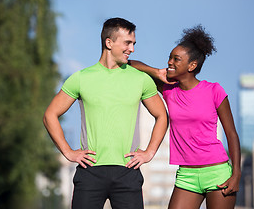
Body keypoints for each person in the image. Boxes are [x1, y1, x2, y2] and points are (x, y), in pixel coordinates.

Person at [43, 17, 168, 209]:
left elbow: (162, 116)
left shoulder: (141, 80)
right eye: (127, 43)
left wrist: (149, 152)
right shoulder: (81, 78)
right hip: (90, 171)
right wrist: (68, 152)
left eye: (134, 43)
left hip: (128, 172)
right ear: (109, 43)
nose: (132, 49)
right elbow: (50, 115)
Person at [129, 25, 241, 209]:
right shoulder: (168, 90)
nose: (170, 62)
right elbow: (131, 65)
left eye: (176, 59)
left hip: (218, 172)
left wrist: (236, 174)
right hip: (186, 175)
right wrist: (157, 72)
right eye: (169, 58)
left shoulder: (214, 90)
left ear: (192, 65)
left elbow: (231, 134)